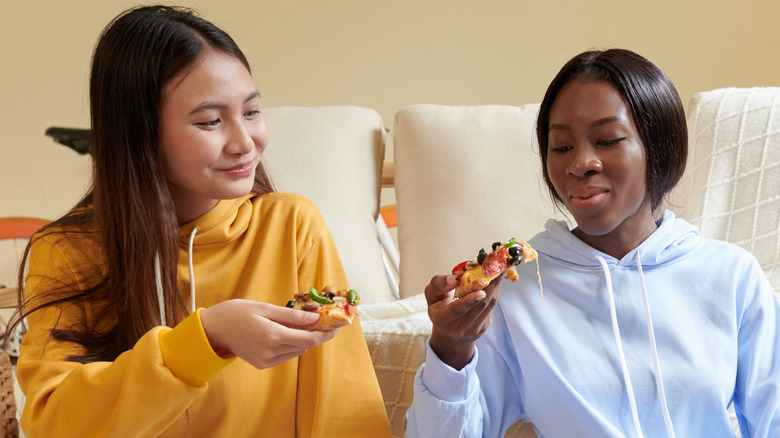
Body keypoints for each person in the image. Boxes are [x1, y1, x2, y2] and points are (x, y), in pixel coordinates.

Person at [6, 5, 391, 437]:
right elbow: (54, 423)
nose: (245, 142)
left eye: (251, 112)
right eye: (210, 121)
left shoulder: (291, 225)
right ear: (140, 133)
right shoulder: (68, 251)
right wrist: (204, 339)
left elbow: (344, 409)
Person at [405, 49, 780, 437]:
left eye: (608, 140)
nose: (579, 163)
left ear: (659, 147)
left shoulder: (731, 276)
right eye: (561, 147)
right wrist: (450, 352)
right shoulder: (514, 292)